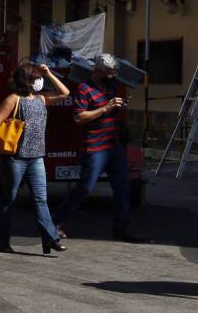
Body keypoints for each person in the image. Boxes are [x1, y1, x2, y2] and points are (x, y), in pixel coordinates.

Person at [54, 54, 146, 243]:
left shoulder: (111, 87)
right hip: (96, 147)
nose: (112, 76)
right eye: (109, 73)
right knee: (85, 188)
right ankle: (56, 221)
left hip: (114, 146)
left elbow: (112, 110)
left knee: (123, 189)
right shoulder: (84, 89)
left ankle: (121, 229)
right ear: (98, 71)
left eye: (114, 73)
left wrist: (119, 107)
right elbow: (79, 118)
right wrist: (104, 108)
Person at [0, 61, 70, 254]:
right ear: (26, 81)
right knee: (8, 200)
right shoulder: (13, 99)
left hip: (37, 158)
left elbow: (65, 93)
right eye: (37, 78)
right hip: (15, 158)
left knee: (41, 200)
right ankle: (3, 241)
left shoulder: (41, 99)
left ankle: (50, 239)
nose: (40, 81)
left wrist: (49, 74)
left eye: (40, 78)